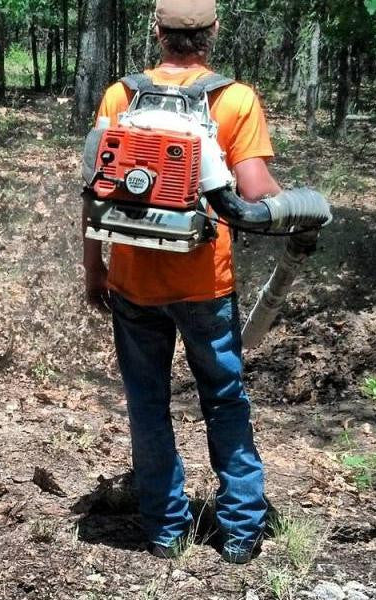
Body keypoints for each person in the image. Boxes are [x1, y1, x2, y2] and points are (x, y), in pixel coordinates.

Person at [84, 0, 279, 564]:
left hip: (133, 281)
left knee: (147, 405)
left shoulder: (121, 96)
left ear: (157, 31)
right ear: (213, 32)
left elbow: (97, 189)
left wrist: (96, 268)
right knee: (224, 400)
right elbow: (254, 190)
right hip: (205, 283)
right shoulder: (235, 99)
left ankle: (166, 530)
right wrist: (290, 202)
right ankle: (241, 529)